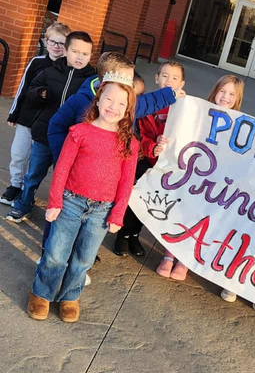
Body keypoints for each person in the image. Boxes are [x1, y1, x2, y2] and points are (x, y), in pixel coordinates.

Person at [27, 70, 139, 324]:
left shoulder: (130, 143)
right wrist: (55, 201)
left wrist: (117, 214)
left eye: (121, 103)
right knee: (56, 252)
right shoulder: (79, 132)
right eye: (109, 99)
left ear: (128, 110)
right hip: (70, 202)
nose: (113, 107)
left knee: (84, 258)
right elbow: (62, 168)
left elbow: (126, 182)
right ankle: (42, 292)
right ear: (98, 100)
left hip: (102, 210)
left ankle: (70, 296)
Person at [156, 73, 245, 284]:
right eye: (222, 91)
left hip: (216, 179)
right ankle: (169, 255)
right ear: (215, 91)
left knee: (200, 218)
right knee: (180, 213)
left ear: (237, 98)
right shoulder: (199, 111)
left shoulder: (241, 124)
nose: (225, 97)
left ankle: (184, 260)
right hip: (192, 170)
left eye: (231, 94)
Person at [6, 32, 95, 223]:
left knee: (66, 179)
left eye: (85, 54)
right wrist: (39, 93)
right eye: (75, 51)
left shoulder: (93, 80)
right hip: (44, 133)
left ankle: (61, 212)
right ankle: (24, 204)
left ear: (91, 55)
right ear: (66, 50)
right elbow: (31, 91)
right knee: (33, 173)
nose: (80, 57)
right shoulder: (50, 72)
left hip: (72, 139)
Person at [47, 54, 183, 165]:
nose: (130, 85)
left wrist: (171, 94)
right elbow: (56, 126)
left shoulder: (127, 101)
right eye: (126, 80)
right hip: (82, 166)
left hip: (113, 167)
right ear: (107, 79)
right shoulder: (80, 100)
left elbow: (147, 102)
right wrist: (63, 159)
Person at [114, 60, 186, 258]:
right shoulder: (147, 104)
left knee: (151, 204)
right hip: (146, 160)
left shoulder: (186, 108)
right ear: (156, 78)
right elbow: (140, 135)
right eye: (164, 76)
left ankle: (134, 235)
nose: (169, 81)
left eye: (175, 78)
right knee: (135, 199)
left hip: (170, 167)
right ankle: (123, 234)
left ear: (181, 83)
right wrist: (153, 147)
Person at [1, 22, 71, 206]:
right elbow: (23, 87)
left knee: (36, 159)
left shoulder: (68, 68)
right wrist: (14, 113)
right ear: (46, 41)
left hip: (47, 122)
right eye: (52, 41)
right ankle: (15, 185)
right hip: (27, 119)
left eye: (61, 43)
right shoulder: (37, 62)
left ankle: (26, 191)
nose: (56, 46)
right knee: (18, 154)